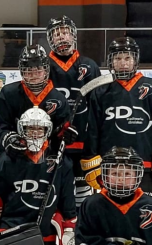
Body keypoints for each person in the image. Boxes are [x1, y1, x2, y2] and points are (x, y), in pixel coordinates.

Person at [0, 107, 76, 245]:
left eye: (39, 129)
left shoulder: (60, 161)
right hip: (11, 227)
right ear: (21, 130)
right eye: (30, 129)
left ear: (47, 131)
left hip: (43, 230)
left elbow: (67, 199)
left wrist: (69, 229)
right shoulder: (8, 159)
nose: (34, 134)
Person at [81, 37, 152, 197]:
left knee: (144, 213)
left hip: (144, 162)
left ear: (135, 60)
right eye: (118, 58)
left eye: (127, 58)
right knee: (110, 214)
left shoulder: (150, 87)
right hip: (110, 166)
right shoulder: (100, 90)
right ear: (111, 61)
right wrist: (91, 159)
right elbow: (93, 129)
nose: (123, 62)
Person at [45, 16, 103, 206]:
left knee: (82, 189)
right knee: (55, 189)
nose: (61, 38)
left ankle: (81, 229)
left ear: (73, 35)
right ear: (49, 39)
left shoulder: (90, 66)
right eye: (56, 34)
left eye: (65, 32)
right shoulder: (43, 67)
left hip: (83, 143)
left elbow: (98, 106)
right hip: (52, 142)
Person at [0, 44, 76, 160]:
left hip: (46, 160)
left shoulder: (59, 99)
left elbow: (61, 133)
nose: (34, 76)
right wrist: (10, 140)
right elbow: (1, 126)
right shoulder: (9, 94)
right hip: (14, 157)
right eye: (28, 71)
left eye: (38, 70)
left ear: (46, 70)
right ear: (22, 71)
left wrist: (66, 135)